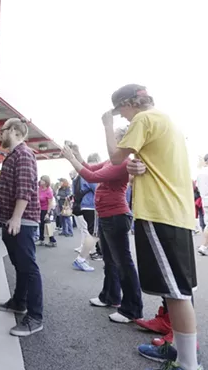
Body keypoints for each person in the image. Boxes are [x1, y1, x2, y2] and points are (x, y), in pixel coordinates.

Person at [105, 84, 201, 370]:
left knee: (176, 292)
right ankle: (182, 353)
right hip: (176, 213)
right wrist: (137, 168)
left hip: (160, 213)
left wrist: (106, 125)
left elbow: (114, 157)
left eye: (120, 112)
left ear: (128, 104)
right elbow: (151, 165)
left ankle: (187, 362)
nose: (122, 118)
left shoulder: (143, 119)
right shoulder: (165, 120)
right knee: (176, 289)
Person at [60, 130, 143, 324]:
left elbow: (91, 176)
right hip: (108, 216)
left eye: (112, 138)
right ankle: (110, 296)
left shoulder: (122, 163)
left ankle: (132, 308)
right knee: (110, 260)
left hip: (115, 216)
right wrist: (78, 154)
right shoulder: (112, 161)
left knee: (123, 263)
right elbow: (91, 168)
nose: (108, 141)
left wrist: (72, 159)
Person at [0, 118, 44, 337]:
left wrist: (15, 218)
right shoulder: (16, 155)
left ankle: (35, 316)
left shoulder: (23, 155)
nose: (0, 134)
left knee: (28, 267)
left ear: (13, 131)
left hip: (20, 220)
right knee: (21, 265)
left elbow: (24, 190)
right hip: (13, 220)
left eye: (3, 130)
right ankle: (19, 302)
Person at [37, 175, 57, 247]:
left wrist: (47, 213)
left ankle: (53, 240)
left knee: (48, 226)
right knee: (41, 225)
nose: (40, 181)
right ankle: (41, 239)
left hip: (46, 210)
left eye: (42, 180)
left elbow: (50, 203)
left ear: (45, 182)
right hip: (40, 209)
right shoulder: (39, 188)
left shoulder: (49, 191)